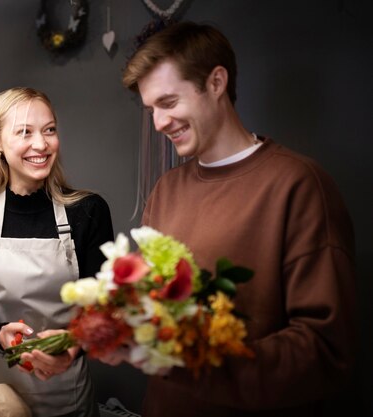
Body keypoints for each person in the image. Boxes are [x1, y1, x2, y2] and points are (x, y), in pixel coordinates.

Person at [117, 21, 357, 417]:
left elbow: (325, 348)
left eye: (169, 103)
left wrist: (199, 364)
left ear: (216, 83)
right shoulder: (166, 190)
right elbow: (148, 310)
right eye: (151, 110)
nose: (158, 123)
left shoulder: (299, 185)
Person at [0, 87, 113, 417]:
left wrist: (73, 344)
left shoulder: (88, 211)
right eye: (25, 132)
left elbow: (103, 312)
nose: (41, 144)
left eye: (49, 130)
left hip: (64, 393)